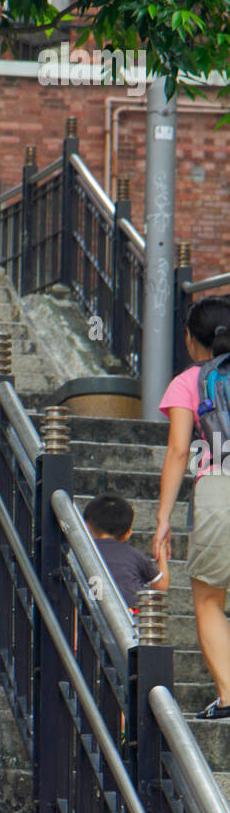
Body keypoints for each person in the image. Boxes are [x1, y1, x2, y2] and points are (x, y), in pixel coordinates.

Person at [153, 296, 230, 719]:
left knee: (209, 600)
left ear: (189, 338)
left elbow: (180, 451)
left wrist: (163, 519)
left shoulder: (190, 381)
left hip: (219, 486)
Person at [84, 491, 169, 611]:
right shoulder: (133, 555)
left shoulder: (82, 554)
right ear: (127, 534)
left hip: (90, 613)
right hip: (129, 616)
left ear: (86, 526)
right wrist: (162, 551)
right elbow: (161, 586)